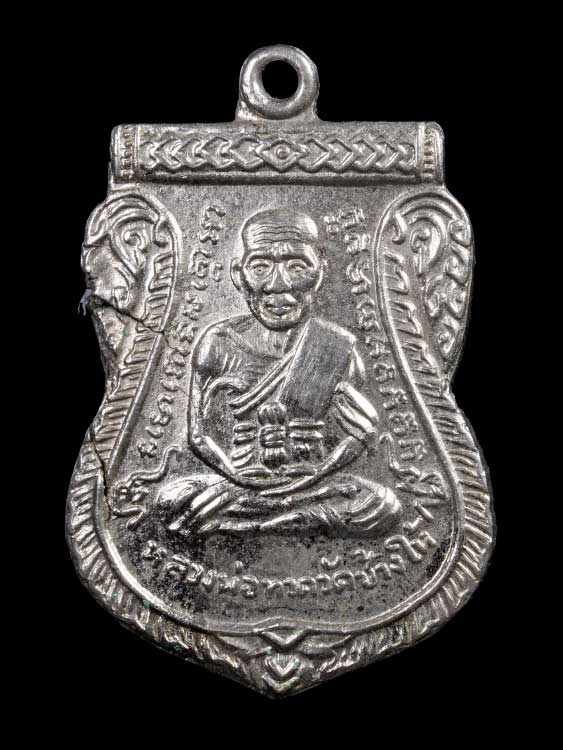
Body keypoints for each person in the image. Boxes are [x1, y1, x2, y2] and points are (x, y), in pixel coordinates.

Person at [159, 208, 401, 537]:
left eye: (296, 267)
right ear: (238, 274)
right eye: (261, 267)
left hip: (310, 483)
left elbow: (353, 436)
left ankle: (249, 526)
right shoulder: (218, 343)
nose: (278, 285)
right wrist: (236, 477)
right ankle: (282, 522)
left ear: (320, 272)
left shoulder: (337, 347)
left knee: (382, 505)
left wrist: (325, 467)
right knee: (170, 499)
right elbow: (198, 437)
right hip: (240, 482)